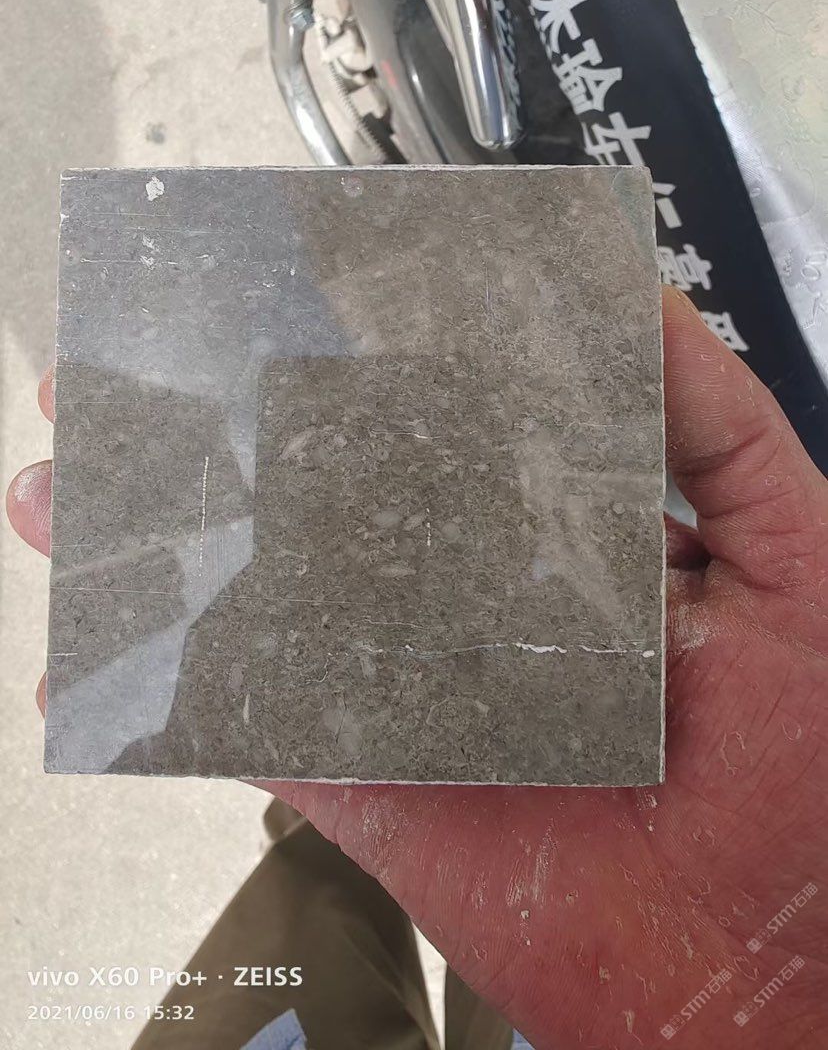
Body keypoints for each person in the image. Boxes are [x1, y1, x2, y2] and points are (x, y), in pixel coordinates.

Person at [6, 288, 828, 1048]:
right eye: (325, 459)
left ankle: (323, 830)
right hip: (601, 950)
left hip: (585, 925)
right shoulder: (258, 625)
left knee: (316, 917)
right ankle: (328, 826)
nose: (373, 496)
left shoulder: (545, 635)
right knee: (336, 880)